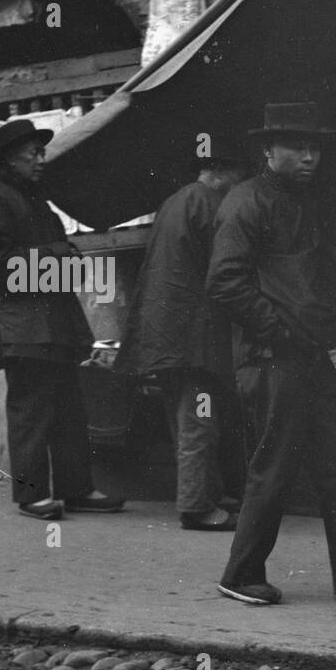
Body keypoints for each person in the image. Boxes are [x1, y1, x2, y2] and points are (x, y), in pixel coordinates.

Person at [205, 102, 336, 606]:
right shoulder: (245, 202)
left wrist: (327, 325)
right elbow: (224, 283)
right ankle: (241, 574)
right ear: (267, 150)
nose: (308, 156)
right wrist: (281, 331)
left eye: (315, 146)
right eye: (296, 146)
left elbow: (309, 283)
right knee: (274, 465)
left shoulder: (303, 202)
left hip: (307, 356)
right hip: (270, 357)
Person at [0, 117, 125, 520]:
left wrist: (63, 257)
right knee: (31, 411)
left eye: (40, 153)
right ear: (8, 160)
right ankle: (31, 495)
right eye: (32, 154)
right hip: (23, 328)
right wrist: (57, 256)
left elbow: (56, 261)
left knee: (70, 411)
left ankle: (76, 489)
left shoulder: (36, 203)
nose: (40, 160)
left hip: (53, 325)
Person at [117, 142, 247, 531]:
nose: (242, 183)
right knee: (199, 420)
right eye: (240, 174)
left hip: (167, 335)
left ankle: (204, 493)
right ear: (221, 171)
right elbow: (224, 269)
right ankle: (195, 506)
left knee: (186, 418)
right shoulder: (209, 204)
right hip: (194, 338)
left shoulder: (176, 201)